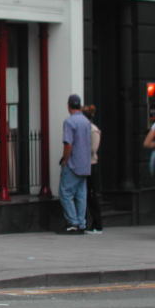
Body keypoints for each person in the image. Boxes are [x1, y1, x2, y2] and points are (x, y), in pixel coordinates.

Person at [58, 94, 91, 234]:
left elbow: (68, 144)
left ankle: (73, 223)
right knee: (81, 195)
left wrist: (65, 159)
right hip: (85, 164)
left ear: (68, 106)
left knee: (65, 193)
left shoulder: (69, 122)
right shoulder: (86, 121)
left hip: (73, 163)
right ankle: (82, 223)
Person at [82, 105, 103, 234]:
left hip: (91, 164)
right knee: (87, 195)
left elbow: (93, 149)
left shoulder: (93, 130)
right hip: (86, 164)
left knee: (91, 195)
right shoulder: (87, 129)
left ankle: (97, 224)